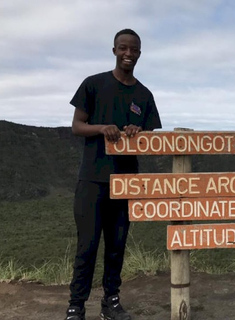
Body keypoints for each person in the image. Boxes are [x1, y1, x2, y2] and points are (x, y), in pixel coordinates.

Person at [65, 29, 162, 320]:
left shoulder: (143, 95)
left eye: (133, 49)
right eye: (123, 48)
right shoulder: (93, 84)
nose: (128, 54)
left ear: (140, 54)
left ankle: (111, 302)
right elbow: (76, 126)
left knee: (116, 246)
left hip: (125, 182)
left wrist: (138, 131)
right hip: (92, 180)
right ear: (114, 50)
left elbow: (151, 136)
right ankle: (76, 306)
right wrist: (102, 127)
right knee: (87, 246)